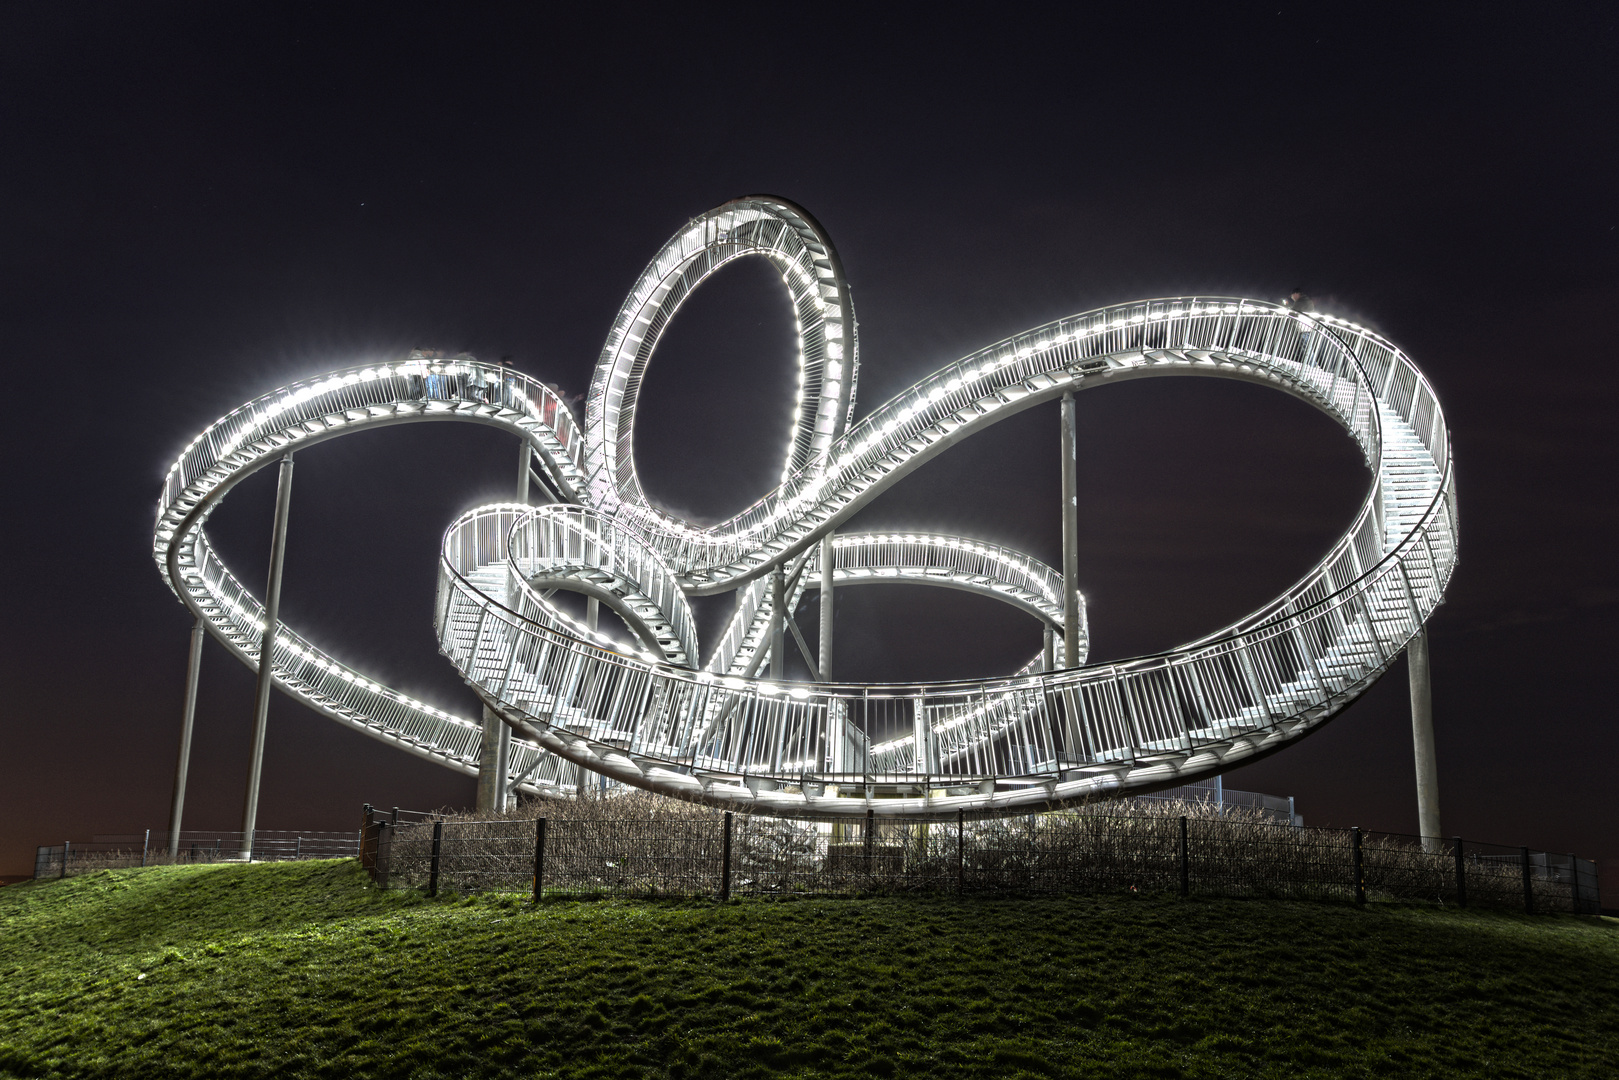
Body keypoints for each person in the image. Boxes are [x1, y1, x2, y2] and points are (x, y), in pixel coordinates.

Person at [1284, 287, 1317, 362]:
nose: (1292, 298)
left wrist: (1288, 309)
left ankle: (1312, 365)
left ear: (1296, 294)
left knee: (1306, 347)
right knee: (1305, 347)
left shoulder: (1301, 301)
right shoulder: (1306, 300)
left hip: (1304, 327)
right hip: (1307, 326)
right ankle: (1310, 364)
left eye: (1292, 296)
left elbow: (1293, 313)